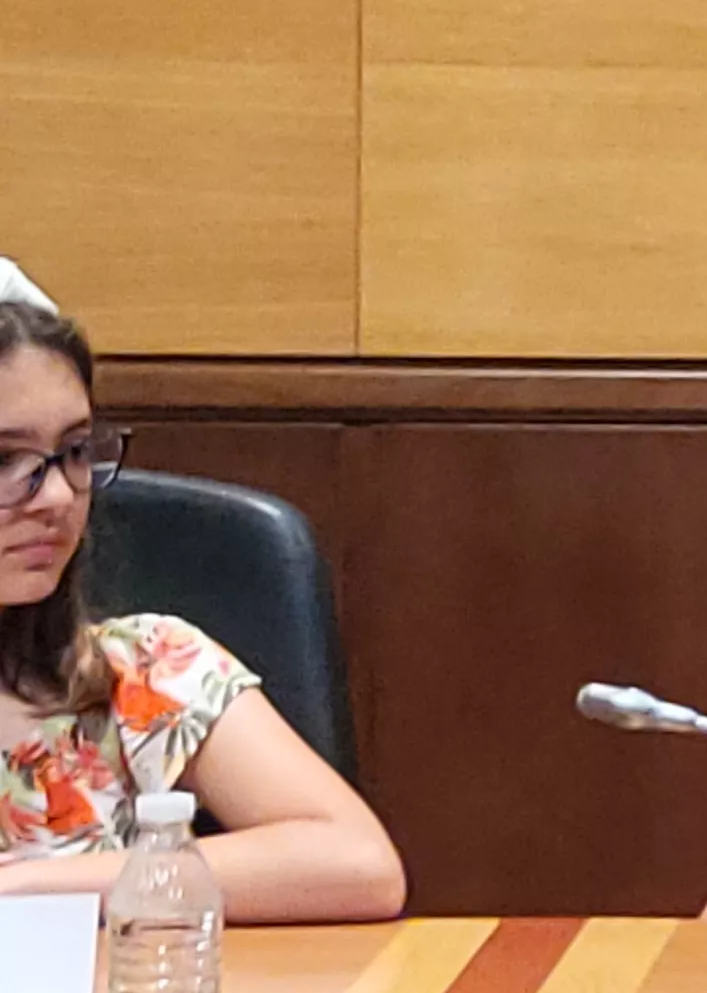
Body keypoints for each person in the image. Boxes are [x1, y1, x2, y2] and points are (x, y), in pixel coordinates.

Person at [0, 299, 405, 919]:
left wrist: (34, 888)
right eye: (5, 461)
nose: (56, 495)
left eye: (75, 452)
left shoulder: (141, 667)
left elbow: (359, 864)